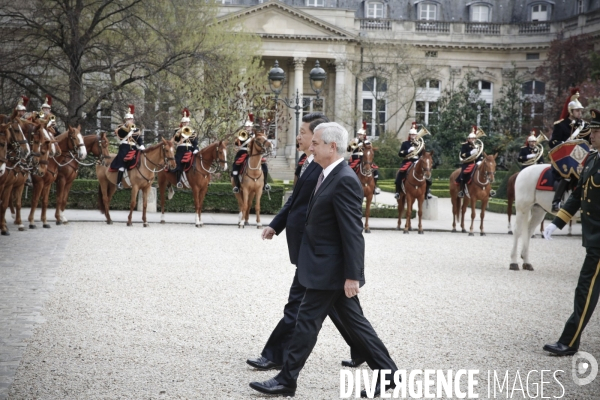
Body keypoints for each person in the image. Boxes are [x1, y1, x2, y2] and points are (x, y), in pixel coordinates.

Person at [249, 122, 398, 398]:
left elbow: (353, 233)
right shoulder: (327, 173)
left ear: (332, 146)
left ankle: (286, 379)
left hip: (329, 269)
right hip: (323, 266)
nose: (311, 147)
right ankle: (389, 375)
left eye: (316, 143)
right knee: (357, 326)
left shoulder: (343, 179)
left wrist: (353, 275)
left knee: (306, 321)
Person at [248, 113, 365, 373]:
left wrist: (353, 273)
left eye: (303, 132)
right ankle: (363, 349)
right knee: (343, 308)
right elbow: (295, 201)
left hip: (317, 251)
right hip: (311, 249)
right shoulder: (308, 162)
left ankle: (275, 356)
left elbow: (351, 228)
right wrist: (275, 225)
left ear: (318, 137)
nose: (299, 137)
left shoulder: (326, 167)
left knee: (298, 306)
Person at [542, 108, 600, 356]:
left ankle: (569, 341)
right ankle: (569, 340)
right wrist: (558, 221)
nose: (592, 137)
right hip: (595, 239)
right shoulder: (591, 159)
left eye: (596, 132)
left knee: (586, 290)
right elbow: (578, 195)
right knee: (584, 289)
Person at [550, 88, 590, 211]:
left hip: (581, 159)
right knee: (567, 175)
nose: (580, 113)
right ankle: (556, 202)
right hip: (564, 159)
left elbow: (588, 142)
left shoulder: (585, 126)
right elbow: (552, 142)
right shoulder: (560, 125)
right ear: (571, 111)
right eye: (577, 110)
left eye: (581, 110)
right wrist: (564, 144)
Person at [110, 105, 144, 190]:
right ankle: (119, 182)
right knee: (122, 164)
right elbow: (121, 134)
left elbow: (138, 138)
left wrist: (141, 145)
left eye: (131, 119)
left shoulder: (135, 129)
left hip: (133, 147)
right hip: (124, 146)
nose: (130, 121)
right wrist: (127, 126)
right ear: (125, 120)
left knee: (139, 160)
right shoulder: (121, 127)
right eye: (128, 119)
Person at [394, 121, 432, 199]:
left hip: (418, 161)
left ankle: (427, 192)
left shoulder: (420, 144)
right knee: (400, 174)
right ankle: (398, 192)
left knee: (427, 174)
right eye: (411, 134)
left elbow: (423, 154)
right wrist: (407, 151)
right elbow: (400, 153)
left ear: (416, 135)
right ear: (410, 135)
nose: (413, 136)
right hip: (408, 161)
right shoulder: (405, 144)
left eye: (414, 134)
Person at [347, 121, 380, 194]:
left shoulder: (367, 142)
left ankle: (375, 187)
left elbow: (370, 148)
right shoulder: (355, 141)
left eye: (361, 134)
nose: (359, 136)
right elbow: (349, 150)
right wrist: (352, 144)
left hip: (365, 159)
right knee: (349, 170)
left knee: (375, 170)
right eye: (359, 134)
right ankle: (349, 186)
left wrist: (364, 144)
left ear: (364, 135)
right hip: (355, 158)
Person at [172, 108, 198, 188]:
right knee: (179, 163)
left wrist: (196, 148)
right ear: (182, 123)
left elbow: (195, 142)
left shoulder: (193, 132)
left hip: (190, 149)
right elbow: (176, 140)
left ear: (189, 123)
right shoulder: (177, 130)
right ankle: (179, 180)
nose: (185, 123)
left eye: (187, 122)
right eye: (184, 122)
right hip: (181, 149)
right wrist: (180, 133)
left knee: (197, 163)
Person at [455, 126, 483, 198]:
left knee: (486, 173)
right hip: (468, 163)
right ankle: (461, 191)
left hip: (477, 163)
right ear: (468, 139)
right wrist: (470, 153)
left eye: (474, 138)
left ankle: (489, 190)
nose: (473, 140)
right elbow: (462, 155)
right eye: (471, 138)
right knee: (463, 174)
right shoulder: (465, 146)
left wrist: (479, 161)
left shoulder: (478, 146)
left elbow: (481, 154)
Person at [231, 113, 255, 194]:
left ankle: (265, 184)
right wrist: (238, 140)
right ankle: (237, 186)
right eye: (246, 126)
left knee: (264, 166)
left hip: (253, 154)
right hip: (242, 153)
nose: (247, 128)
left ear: (252, 127)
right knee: (235, 168)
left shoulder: (255, 135)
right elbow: (237, 144)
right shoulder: (242, 134)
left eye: (248, 126)